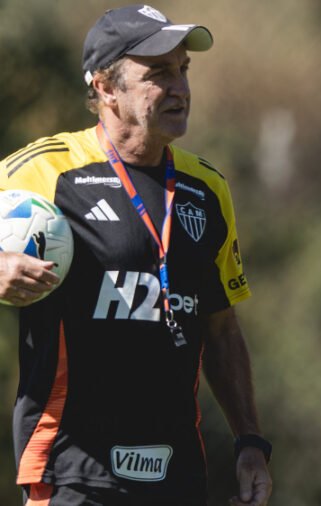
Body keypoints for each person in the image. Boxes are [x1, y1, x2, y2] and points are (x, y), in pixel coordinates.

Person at [0, 5, 272, 505]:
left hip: (178, 473)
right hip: (70, 472)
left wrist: (249, 442)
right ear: (106, 88)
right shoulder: (45, 171)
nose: (181, 88)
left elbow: (221, 329)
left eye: (183, 70)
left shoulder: (207, 188)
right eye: (159, 74)